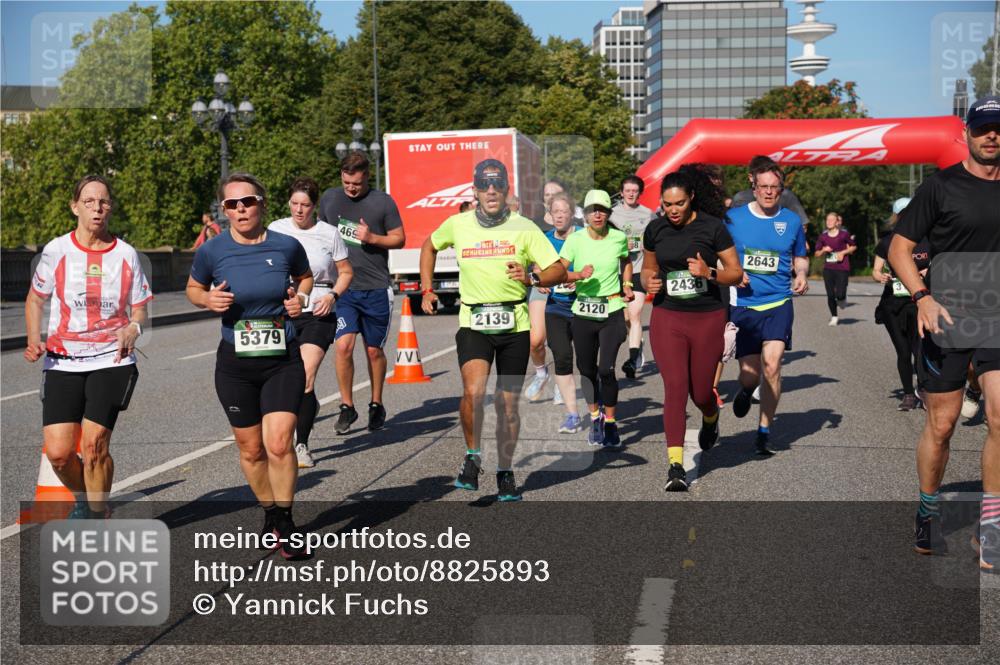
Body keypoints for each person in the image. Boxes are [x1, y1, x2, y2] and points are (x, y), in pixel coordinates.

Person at [887, 95, 1000, 567]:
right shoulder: (941, 186)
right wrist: (922, 297)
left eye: (999, 128)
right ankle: (928, 510)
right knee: (943, 424)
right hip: (946, 317)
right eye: (984, 128)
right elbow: (899, 248)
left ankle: (990, 528)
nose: (992, 136)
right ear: (967, 133)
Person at [420, 159, 566, 501]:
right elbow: (429, 246)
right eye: (484, 186)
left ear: (505, 190)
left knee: (507, 405)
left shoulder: (524, 227)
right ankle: (472, 457)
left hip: (514, 323)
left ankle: (505, 470)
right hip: (474, 321)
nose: (490, 191)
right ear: (475, 190)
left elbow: (558, 269)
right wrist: (427, 289)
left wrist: (531, 277)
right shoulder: (457, 224)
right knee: (473, 392)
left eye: (497, 185)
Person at [187, 173, 313, 559]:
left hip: (281, 358)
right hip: (235, 363)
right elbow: (193, 288)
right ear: (224, 210)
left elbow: (305, 278)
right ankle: (270, 511)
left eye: (248, 201)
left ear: (262, 203)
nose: (241, 209)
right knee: (252, 449)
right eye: (232, 204)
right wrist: (207, 300)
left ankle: (286, 522)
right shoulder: (212, 251)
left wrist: (300, 300)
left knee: (279, 443)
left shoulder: (286, 245)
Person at [24, 174, 153, 519]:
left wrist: (134, 327)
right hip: (62, 361)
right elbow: (35, 299)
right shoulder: (56, 250)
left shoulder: (125, 254)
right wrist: (34, 338)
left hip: (112, 359)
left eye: (104, 202)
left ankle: (97, 516)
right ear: (75, 207)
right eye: (89, 202)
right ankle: (86, 497)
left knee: (94, 445)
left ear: (111, 208)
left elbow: (140, 307)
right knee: (59, 454)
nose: (97, 208)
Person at [643, 171, 743, 490]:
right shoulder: (655, 229)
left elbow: (735, 273)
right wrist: (648, 282)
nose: (673, 210)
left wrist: (709, 272)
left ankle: (710, 417)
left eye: (680, 203)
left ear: (692, 199)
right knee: (675, 386)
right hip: (668, 316)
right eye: (667, 204)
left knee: (701, 393)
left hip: (706, 317)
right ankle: (676, 466)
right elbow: (648, 268)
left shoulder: (713, 228)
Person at [268, 177, 353, 468]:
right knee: (284, 378)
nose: (299, 210)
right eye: (294, 203)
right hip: (283, 310)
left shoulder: (328, 233)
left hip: (318, 310)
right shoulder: (276, 229)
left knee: (305, 375)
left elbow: (346, 272)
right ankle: (307, 408)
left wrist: (332, 295)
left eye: (305, 205)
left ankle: (300, 444)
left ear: (314, 206)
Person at [727, 157, 809, 456]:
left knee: (773, 366)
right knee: (750, 375)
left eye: (774, 187)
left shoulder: (791, 221)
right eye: (764, 187)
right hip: (744, 304)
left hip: (778, 301)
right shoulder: (733, 218)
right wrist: (733, 272)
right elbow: (718, 254)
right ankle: (747, 389)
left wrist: (801, 273)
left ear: (781, 189)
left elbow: (800, 256)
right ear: (754, 186)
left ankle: (764, 431)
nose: (769, 192)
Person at [318, 151, 405, 434]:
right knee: (343, 346)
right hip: (343, 289)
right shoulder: (330, 199)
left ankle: (376, 403)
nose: (351, 188)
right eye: (346, 183)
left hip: (375, 287)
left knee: (373, 350)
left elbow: (399, 239)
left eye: (356, 183)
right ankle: (347, 406)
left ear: (367, 176)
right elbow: (319, 234)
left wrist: (371, 238)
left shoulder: (383, 202)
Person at [560, 190, 632, 448]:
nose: (597, 214)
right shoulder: (575, 240)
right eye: (592, 210)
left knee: (606, 369)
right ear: (586, 215)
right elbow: (559, 269)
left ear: (608, 213)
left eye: (602, 210)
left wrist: (627, 284)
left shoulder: (618, 238)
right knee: (587, 370)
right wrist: (576, 275)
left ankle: (610, 422)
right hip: (583, 311)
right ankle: (594, 418)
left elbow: (626, 261)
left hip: (611, 309)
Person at [873, 197, 926, 411]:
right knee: (903, 351)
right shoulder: (887, 242)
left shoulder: (927, 239)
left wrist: (929, 272)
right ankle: (908, 395)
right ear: (896, 216)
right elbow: (876, 270)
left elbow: (940, 263)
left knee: (920, 350)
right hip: (893, 305)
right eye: (903, 213)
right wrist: (880, 276)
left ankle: (923, 390)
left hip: (919, 303)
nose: (907, 217)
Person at [542, 192, 583, 429]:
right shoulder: (545, 239)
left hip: (582, 306)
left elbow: (598, 266)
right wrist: (540, 281)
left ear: (572, 214)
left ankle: (597, 409)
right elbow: (536, 266)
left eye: (563, 211)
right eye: (555, 211)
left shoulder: (583, 236)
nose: (559, 216)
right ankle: (572, 415)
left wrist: (580, 281)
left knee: (586, 362)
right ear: (550, 215)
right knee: (562, 357)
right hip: (555, 308)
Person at [611, 174, 655, 379]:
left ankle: (632, 358)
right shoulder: (612, 214)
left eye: (635, 191)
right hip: (616, 271)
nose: (631, 194)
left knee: (635, 314)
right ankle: (638, 343)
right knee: (626, 317)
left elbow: (655, 239)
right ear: (621, 192)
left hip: (638, 269)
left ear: (640, 193)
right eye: (627, 190)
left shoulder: (648, 214)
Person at [814, 211, 857, 325]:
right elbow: (816, 254)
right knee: (830, 295)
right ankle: (834, 316)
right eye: (827, 220)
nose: (829, 222)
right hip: (828, 268)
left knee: (840, 294)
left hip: (842, 267)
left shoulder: (844, 235)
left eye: (831, 220)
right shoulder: (823, 237)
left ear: (837, 222)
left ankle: (842, 298)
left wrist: (842, 253)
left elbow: (853, 247)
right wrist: (823, 250)